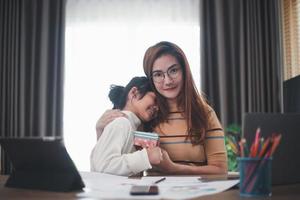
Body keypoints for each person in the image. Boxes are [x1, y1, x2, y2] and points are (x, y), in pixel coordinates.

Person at [96, 41, 228, 175]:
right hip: (156, 193)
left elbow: (220, 169)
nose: (168, 81)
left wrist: (175, 169)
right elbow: (115, 163)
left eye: (174, 70)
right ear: (151, 78)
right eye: (158, 74)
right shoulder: (146, 116)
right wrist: (100, 131)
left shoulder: (204, 113)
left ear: (185, 71)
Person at [90, 76, 162, 176]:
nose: (157, 108)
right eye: (154, 99)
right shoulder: (122, 123)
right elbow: (103, 167)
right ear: (134, 93)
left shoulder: (133, 127)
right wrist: (146, 157)